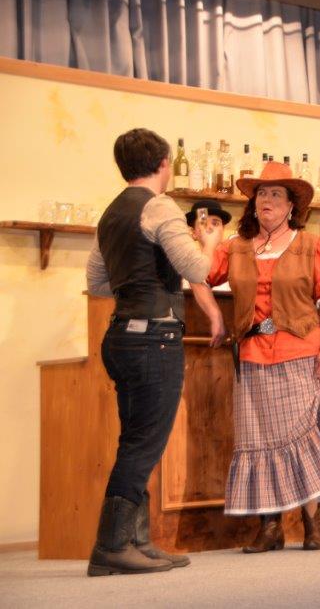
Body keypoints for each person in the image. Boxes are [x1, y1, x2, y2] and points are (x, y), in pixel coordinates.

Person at [85, 128, 223, 576]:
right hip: (154, 338)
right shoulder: (160, 206)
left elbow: (97, 282)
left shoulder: (110, 213)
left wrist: (139, 283)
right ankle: (111, 546)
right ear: (164, 164)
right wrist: (209, 242)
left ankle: (137, 541)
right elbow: (196, 268)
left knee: (136, 440)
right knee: (144, 444)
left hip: (121, 336)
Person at [205, 161, 320, 553]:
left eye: (275, 194)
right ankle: (270, 528)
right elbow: (200, 274)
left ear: (291, 206)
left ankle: (312, 522)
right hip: (252, 354)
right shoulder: (235, 247)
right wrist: (214, 313)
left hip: (300, 351)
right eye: (261, 194)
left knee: (304, 438)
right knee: (258, 439)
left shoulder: (310, 245)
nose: (266, 200)